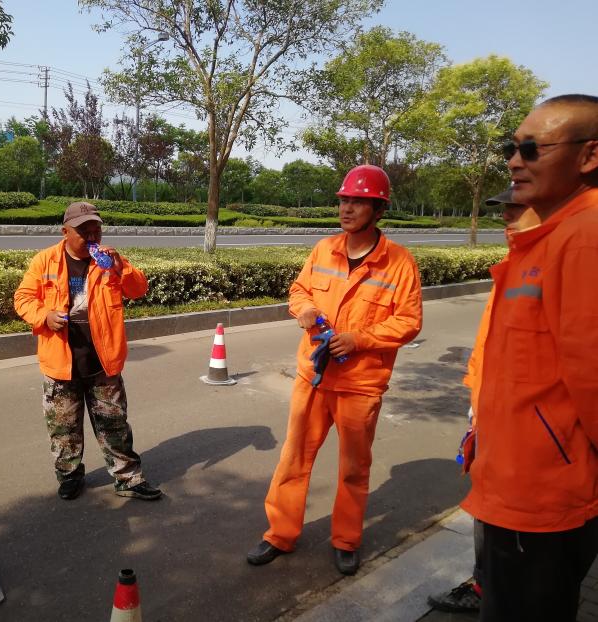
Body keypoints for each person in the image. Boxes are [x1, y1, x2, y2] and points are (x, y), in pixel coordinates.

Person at [460, 94, 598, 621]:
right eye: (511, 149)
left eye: (533, 149)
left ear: (589, 156)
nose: (515, 162)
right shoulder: (549, 240)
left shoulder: (584, 241)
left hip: (543, 498)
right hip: (515, 484)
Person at [246, 165, 423, 574]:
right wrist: (304, 308)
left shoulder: (399, 263)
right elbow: (299, 290)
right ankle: (280, 533)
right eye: (344, 200)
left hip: (361, 383)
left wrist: (359, 339)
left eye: (358, 202)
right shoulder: (324, 249)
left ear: (379, 209)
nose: (347, 208)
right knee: (293, 458)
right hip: (314, 376)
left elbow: (409, 321)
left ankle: (346, 539)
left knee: (353, 469)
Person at [427, 187, 539, 613]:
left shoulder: (562, 264)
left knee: (521, 541)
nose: (507, 215)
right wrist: (478, 398)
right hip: (494, 418)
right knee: (488, 516)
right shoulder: (515, 265)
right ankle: (483, 586)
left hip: (534, 437)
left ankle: (500, 591)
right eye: (505, 208)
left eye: (517, 207)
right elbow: (491, 345)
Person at [14, 201, 161, 501]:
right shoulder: (45, 261)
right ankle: (69, 476)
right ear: (65, 232)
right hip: (61, 362)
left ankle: (128, 478)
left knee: (114, 425)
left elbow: (139, 289)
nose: (92, 237)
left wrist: (121, 268)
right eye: (84, 231)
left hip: (103, 362)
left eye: (97, 230)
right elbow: (23, 298)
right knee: (63, 428)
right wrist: (44, 316)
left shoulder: (109, 260)